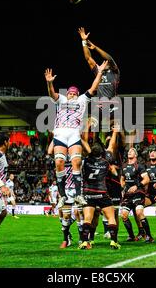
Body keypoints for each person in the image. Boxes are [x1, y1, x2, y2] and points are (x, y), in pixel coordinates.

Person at [45, 60, 108, 209]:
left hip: (74, 134)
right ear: (67, 94)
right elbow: (51, 93)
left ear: (77, 94)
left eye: (74, 93)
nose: (72, 95)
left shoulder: (82, 100)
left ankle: (78, 195)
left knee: (76, 163)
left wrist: (99, 72)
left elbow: (94, 87)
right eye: (70, 93)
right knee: (59, 163)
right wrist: (49, 83)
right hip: (60, 133)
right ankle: (62, 196)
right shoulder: (61, 100)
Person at [78, 142, 121, 250]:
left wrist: (82, 138)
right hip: (102, 193)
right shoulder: (106, 162)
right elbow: (115, 173)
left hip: (88, 192)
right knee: (111, 217)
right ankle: (113, 242)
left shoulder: (85, 161)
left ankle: (84, 242)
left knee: (87, 218)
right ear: (102, 153)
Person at [120, 148, 150, 242]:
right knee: (123, 215)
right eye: (128, 151)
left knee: (139, 213)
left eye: (132, 151)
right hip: (128, 195)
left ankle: (149, 236)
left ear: (136, 155)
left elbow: (146, 179)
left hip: (138, 193)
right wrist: (124, 187)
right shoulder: (124, 166)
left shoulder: (139, 166)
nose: (129, 152)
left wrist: (136, 186)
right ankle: (131, 236)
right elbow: (122, 179)